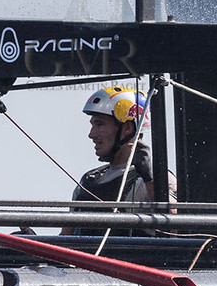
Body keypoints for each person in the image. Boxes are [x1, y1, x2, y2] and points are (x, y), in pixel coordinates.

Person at [62, 87, 160, 236]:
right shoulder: (89, 180)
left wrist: (150, 178)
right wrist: (33, 242)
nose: (91, 134)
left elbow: (176, 229)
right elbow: (65, 239)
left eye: (99, 124)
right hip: (82, 253)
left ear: (127, 128)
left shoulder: (146, 182)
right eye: (92, 125)